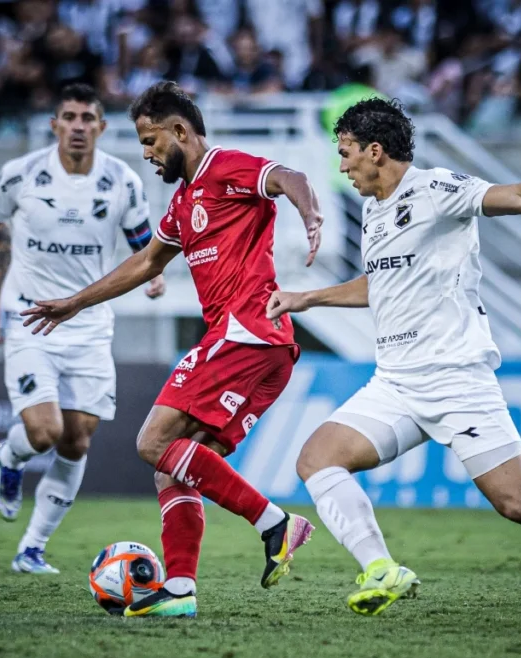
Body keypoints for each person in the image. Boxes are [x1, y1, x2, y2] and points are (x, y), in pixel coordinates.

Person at [267, 98, 521, 622]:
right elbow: (381, 285)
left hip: (456, 377)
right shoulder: (374, 211)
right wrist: (307, 298)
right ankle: (380, 569)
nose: (342, 164)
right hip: (396, 382)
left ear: (376, 151)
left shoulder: (438, 190)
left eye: (347, 152)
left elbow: (520, 197)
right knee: (316, 458)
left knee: (520, 503)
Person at [20, 81, 323, 618]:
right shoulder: (184, 202)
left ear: (180, 130)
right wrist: (75, 302)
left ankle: (275, 523)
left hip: (246, 332)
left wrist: (311, 213)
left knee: (152, 440)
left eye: (151, 139)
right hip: (257, 348)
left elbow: (288, 177)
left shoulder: (227, 167)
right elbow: (144, 263)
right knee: (171, 469)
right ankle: (180, 592)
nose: (146, 152)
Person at [0, 84, 166, 574]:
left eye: (87, 118)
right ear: (55, 124)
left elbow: (145, 244)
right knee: (44, 430)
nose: (78, 126)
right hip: (31, 318)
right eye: (69, 117)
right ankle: (11, 459)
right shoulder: (22, 174)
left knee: (77, 440)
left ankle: (31, 548)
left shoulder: (123, 180)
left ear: (100, 127)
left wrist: (155, 276)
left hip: (91, 324)